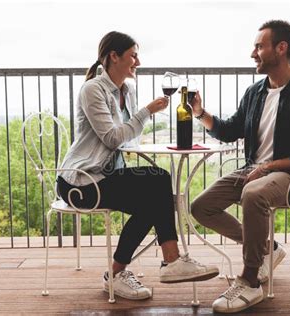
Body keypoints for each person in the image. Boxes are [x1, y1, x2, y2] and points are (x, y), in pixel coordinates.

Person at [57, 31, 219, 301]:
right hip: (80, 182)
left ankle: (123, 273)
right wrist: (146, 112)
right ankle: (168, 261)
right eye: (133, 55)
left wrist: (138, 119)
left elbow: (129, 136)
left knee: (155, 196)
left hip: (106, 176)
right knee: (158, 182)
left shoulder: (126, 90)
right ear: (113, 56)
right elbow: (111, 138)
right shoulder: (93, 90)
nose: (138, 62)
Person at [190, 20, 290, 313]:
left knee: (253, 194)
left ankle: (251, 279)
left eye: (259, 46)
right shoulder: (255, 93)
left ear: (281, 48)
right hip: (253, 169)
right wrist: (200, 113)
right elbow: (229, 129)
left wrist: (269, 167)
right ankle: (267, 249)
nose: (253, 53)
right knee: (201, 207)